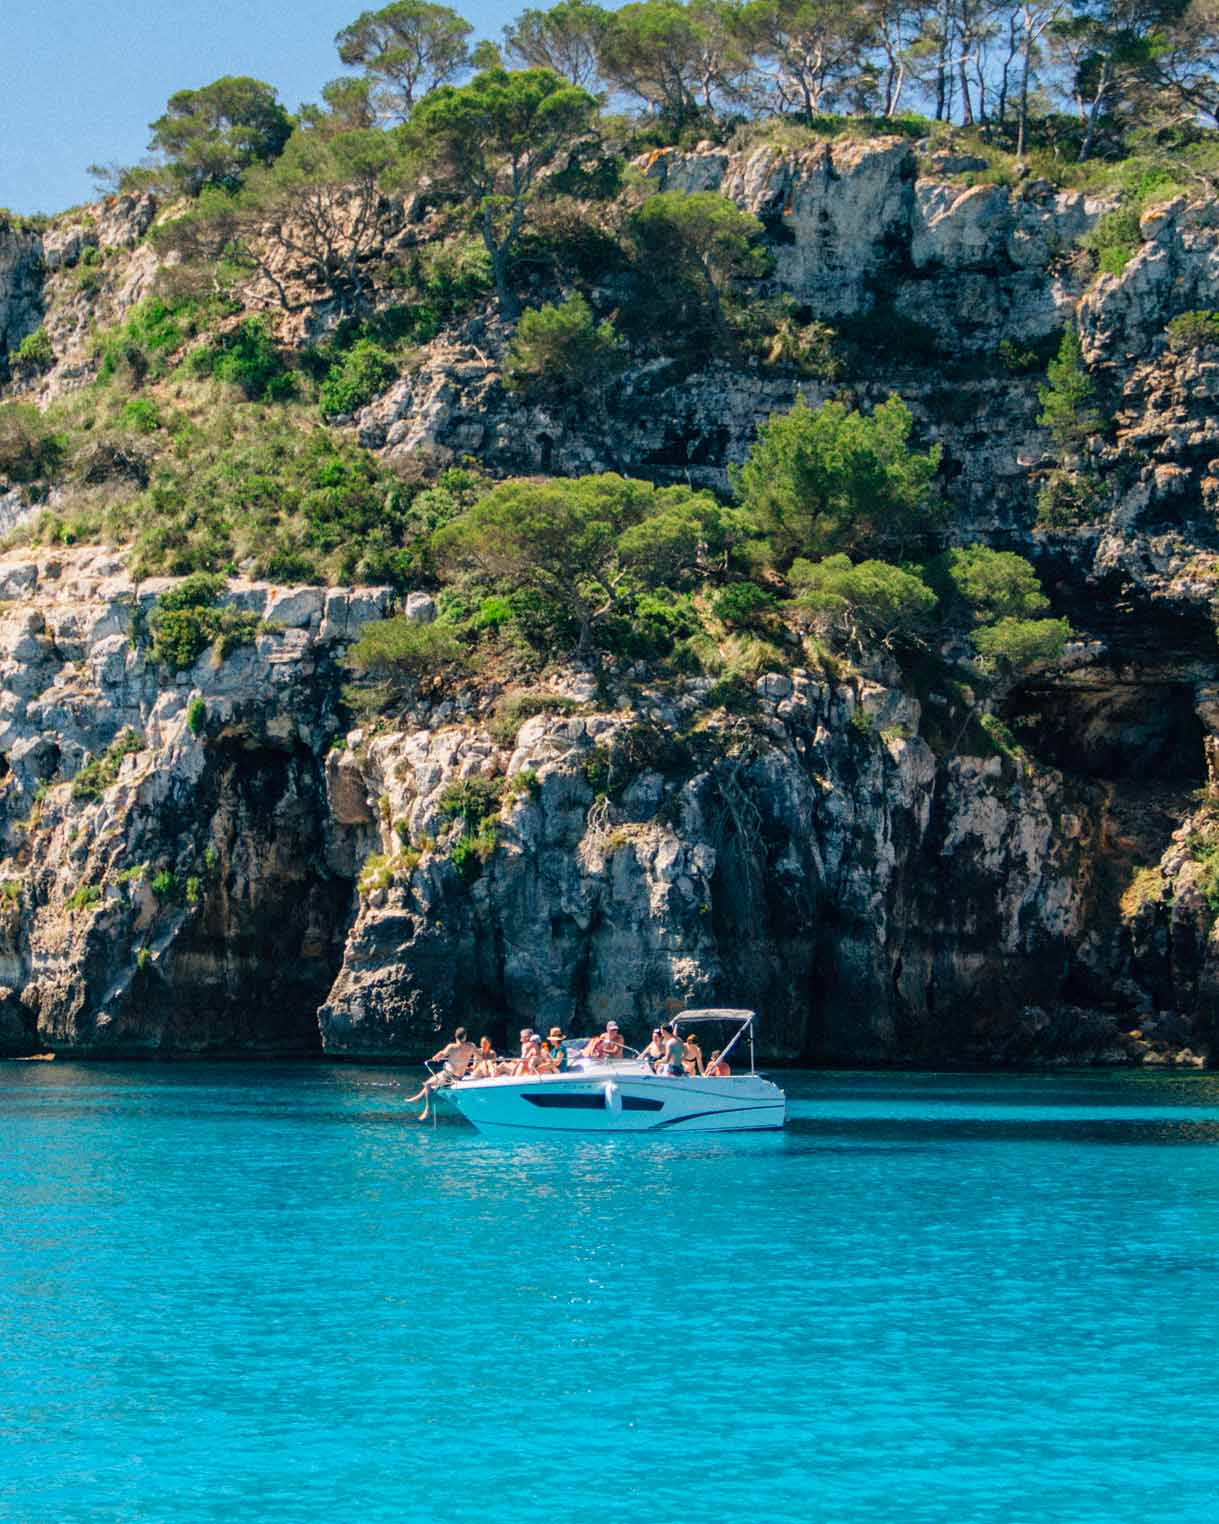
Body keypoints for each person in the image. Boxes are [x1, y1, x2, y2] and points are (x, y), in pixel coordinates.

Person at [405, 1027, 478, 1119]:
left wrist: (436, 1057)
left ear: (456, 1037)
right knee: (430, 1081)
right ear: (465, 1037)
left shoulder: (452, 1047)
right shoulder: (471, 1046)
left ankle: (428, 1110)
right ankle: (418, 1097)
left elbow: (442, 1054)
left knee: (427, 1084)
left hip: (449, 1076)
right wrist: (473, 1066)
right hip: (458, 1076)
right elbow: (479, 1056)